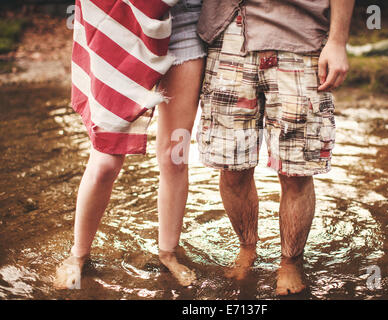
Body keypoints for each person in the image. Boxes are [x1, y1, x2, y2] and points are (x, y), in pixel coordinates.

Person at [196, 0, 354, 295]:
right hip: (228, 33)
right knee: (232, 166)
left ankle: (290, 261)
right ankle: (247, 248)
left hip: (299, 34)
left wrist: (338, 40)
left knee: (296, 171)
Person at [54, 0, 205, 289]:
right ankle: (77, 254)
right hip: (122, 26)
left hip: (184, 25)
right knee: (105, 161)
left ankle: (168, 253)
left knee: (175, 154)